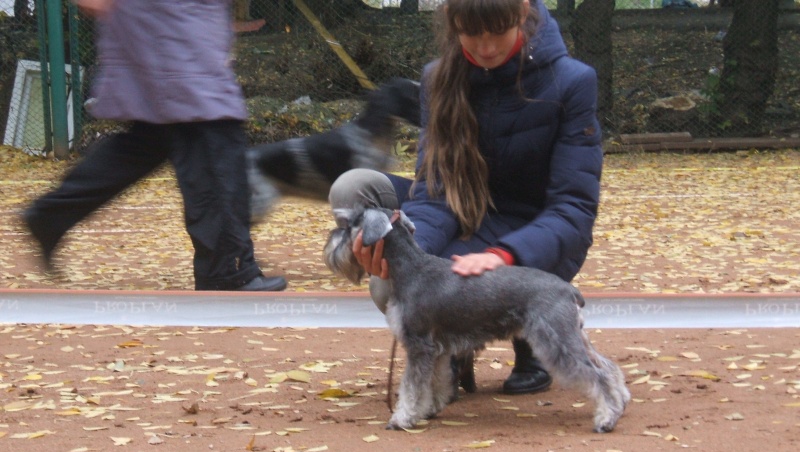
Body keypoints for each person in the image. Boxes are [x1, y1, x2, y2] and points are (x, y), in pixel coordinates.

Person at [328, 0, 602, 394]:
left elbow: (573, 208)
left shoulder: (572, 81)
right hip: (464, 215)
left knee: (514, 273)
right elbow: (435, 191)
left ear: (521, 12)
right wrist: (410, 251)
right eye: (471, 32)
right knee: (353, 190)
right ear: (452, 22)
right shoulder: (438, 78)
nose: (485, 47)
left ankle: (532, 334)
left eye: (497, 31)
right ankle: (451, 346)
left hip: (534, 229)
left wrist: (504, 255)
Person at [22, 0, 286, 292]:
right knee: (210, 133)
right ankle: (226, 270)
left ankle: (51, 214)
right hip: (169, 21)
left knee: (155, 135)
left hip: (169, 20)